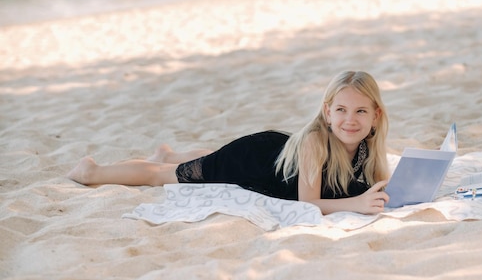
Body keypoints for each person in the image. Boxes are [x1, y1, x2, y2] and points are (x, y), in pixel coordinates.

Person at [67, 70, 391, 215]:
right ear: (327, 112)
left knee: (205, 159)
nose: (351, 120)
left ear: (375, 115)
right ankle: (92, 171)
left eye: (361, 111)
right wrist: (355, 204)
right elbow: (308, 205)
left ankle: (168, 152)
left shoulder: (369, 144)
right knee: (166, 174)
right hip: (252, 160)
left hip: (276, 158)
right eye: (341, 110)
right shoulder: (316, 143)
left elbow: (378, 183)